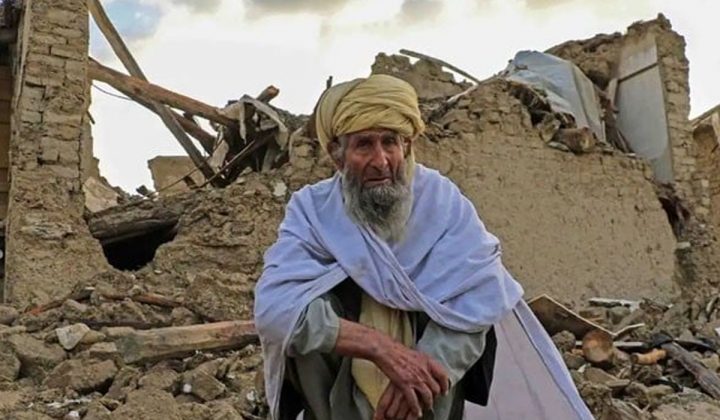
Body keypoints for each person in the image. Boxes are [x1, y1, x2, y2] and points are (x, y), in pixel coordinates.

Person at [255, 74, 592, 420]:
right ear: (336, 156)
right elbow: (274, 310)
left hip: (426, 393)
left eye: (390, 142)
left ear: (407, 146)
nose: (381, 161)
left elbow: (480, 298)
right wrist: (379, 347)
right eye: (364, 145)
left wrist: (420, 375)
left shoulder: (442, 202)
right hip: (338, 394)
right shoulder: (312, 211)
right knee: (306, 309)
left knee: (458, 316)